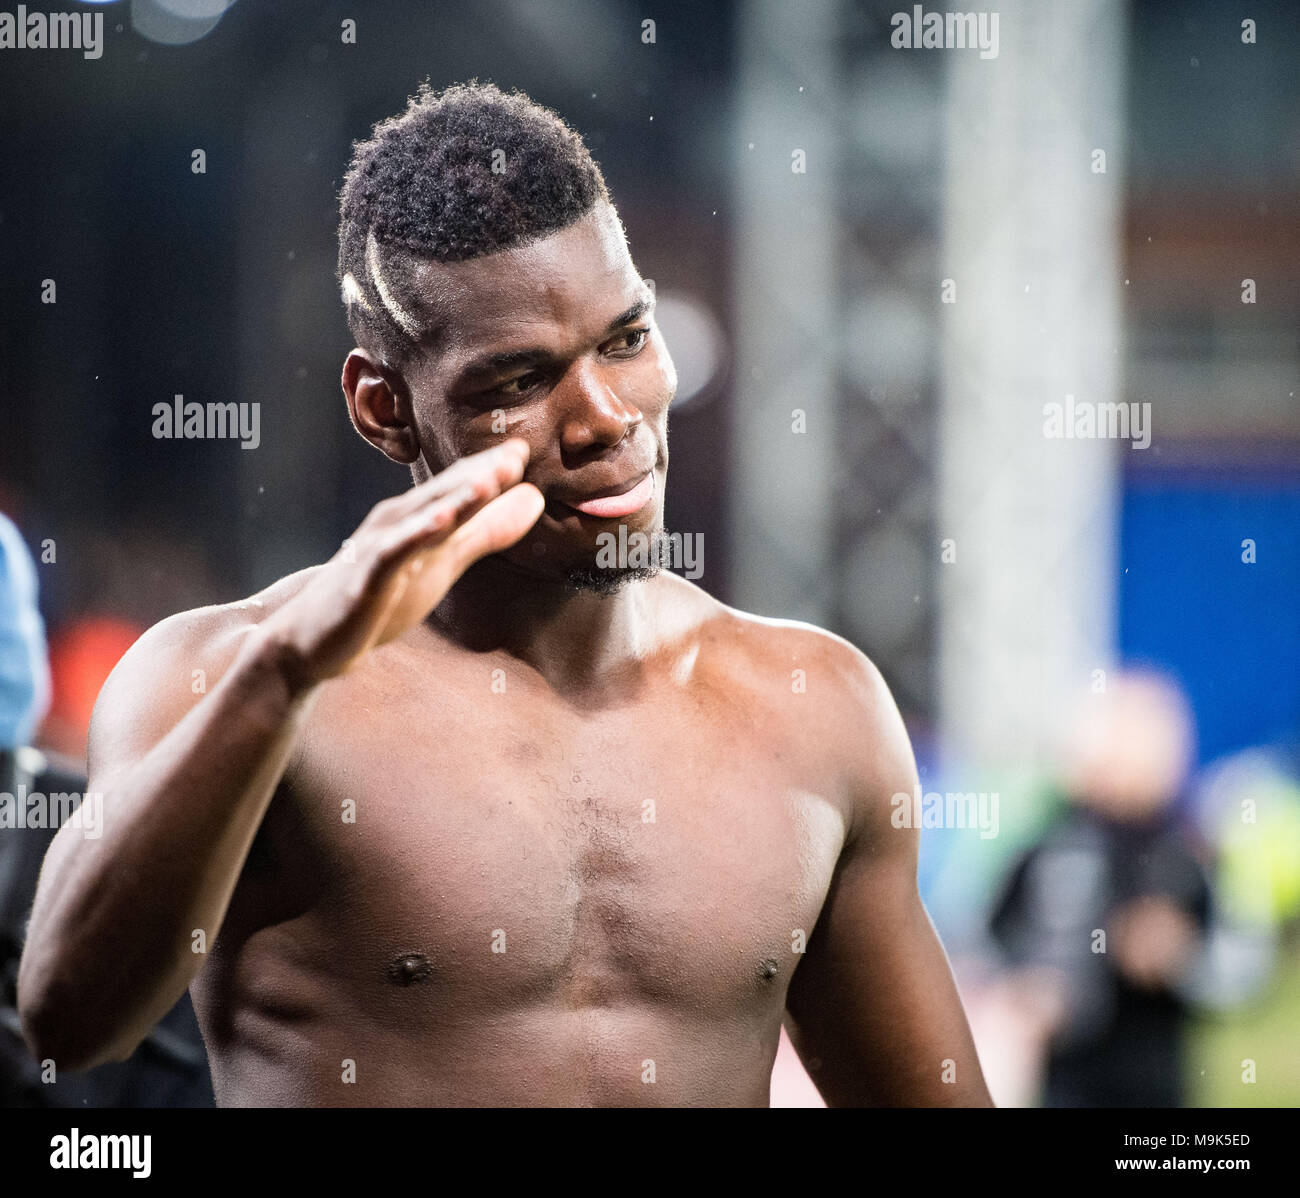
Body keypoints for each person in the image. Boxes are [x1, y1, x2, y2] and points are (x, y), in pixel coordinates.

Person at [18, 81, 990, 1107]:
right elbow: (69, 1020)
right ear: (386, 409)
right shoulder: (225, 675)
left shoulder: (815, 706)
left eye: (626, 338)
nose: (606, 419)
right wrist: (283, 676)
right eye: (518, 381)